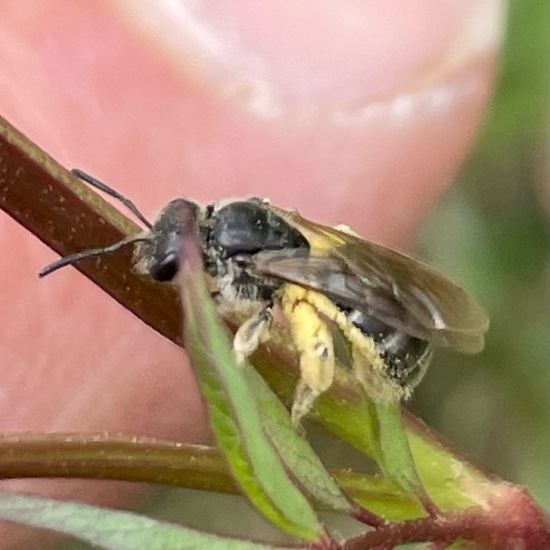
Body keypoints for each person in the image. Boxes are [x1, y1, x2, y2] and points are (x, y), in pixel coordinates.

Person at [0, 2, 505, 547]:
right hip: (352, 282)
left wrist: (267, 415)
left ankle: (297, 427)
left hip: (384, 331)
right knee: (299, 301)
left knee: (295, 312)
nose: (159, 266)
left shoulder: (258, 263)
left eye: (174, 262)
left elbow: (278, 316)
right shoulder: (251, 230)